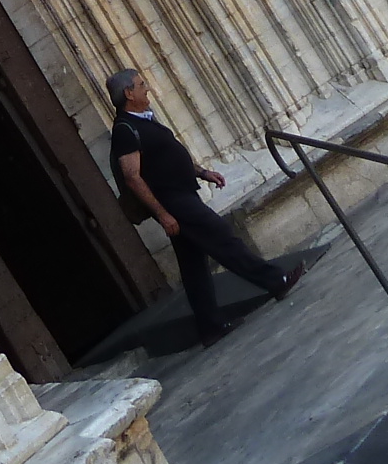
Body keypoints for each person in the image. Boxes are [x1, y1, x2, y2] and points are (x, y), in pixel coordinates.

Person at [105, 68, 299, 345]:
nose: (146, 88)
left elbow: (169, 154)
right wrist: (163, 214)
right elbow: (132, 177)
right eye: (141, 84)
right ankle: (274, 281)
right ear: (128, 93)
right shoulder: (125, 129)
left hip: (183, 194)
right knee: (222, 236)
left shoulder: (144, 121)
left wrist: (202, 173)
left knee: (193, 265)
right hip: (174, 202)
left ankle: (210, 326)